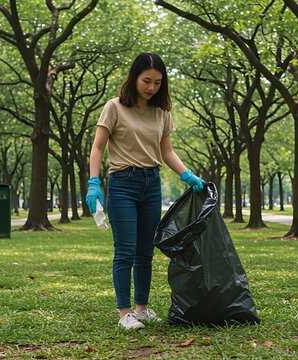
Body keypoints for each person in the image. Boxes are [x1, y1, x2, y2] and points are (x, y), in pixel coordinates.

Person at [86, 52, 205, 330]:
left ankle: (142, 308)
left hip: (151, 184)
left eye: (157, 82)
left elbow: (167, 151)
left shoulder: (162, 112)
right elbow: (98, 147)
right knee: (125, 250)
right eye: (146, 81)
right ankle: (124, 312)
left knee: (145, 252)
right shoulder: (114, 107)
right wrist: (94, 182)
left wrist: (187, 175)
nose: (151, 87)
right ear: (134, 77)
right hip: (122, 183)